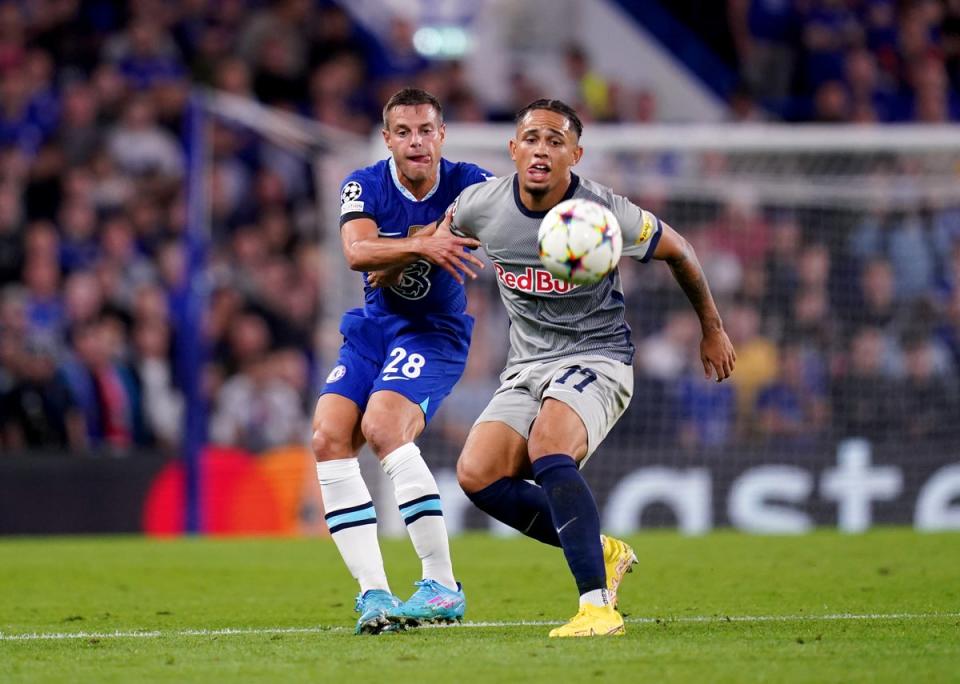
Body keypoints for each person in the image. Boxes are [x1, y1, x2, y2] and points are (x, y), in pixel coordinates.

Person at [446, 99, 736, 637]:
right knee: (477, 474)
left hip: (597, 357)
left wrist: (712, 328)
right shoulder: (478, 206)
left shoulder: (604, 212)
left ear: (575, 154)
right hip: (526, 366)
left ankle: (598, 607)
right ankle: (601, 550)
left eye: (556, 141)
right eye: (532, 138)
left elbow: (681, 250)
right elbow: (441, 240)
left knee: (549, 447)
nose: (541, 149)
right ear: (513, 149)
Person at [312, 88, 490, 635]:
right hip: (372, 331)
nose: (417, 142)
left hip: (431, 333)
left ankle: (441, 586)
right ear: (388, 139)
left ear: (442, 135)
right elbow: (356, 253)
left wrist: (411, 245)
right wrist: (424, 242)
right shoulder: (362, 184)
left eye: (427, 131)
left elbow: (491, 230)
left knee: (384, 426)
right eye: (404, 133)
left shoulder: (471, 183)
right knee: (327, 437)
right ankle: (375, 595)